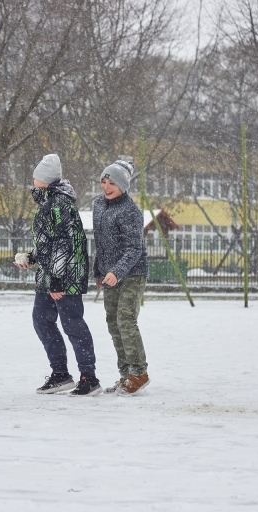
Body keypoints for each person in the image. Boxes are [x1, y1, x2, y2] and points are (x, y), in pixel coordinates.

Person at [16, 154, 101, 396]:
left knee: (73, 324)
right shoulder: (48, 202)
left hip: (64, 278)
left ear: (44, 179)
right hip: (50, 275)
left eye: (36, 176)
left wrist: (56, 279)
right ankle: (61, 374)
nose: (33, 180)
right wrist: (31, 257)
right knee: (42, 320)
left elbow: (64, 244)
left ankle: (89, 377)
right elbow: (48, 244)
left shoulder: (59, 204)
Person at [93, 160, 151, 395]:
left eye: (112, 183)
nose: (106, 187)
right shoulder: (98, 205)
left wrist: (117, 271)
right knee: (113, 323)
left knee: (125, 320)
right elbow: (100, 242)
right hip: (109, 275)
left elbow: (134, 249)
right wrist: (99, 270)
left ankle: (139, 373)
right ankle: (126, 374)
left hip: (132, 273)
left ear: (123, 186)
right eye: (104, 182)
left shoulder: (130, 211)